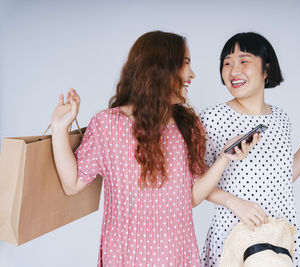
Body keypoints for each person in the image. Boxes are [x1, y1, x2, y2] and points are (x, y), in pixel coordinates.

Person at [50, 31, 260, 267]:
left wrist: (224, 158)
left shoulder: (188, 127)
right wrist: (59, 128)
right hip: (124, 259)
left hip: (176, 257)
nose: (191, 74)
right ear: (162, 68)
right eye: (185, 63)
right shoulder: (106, 125)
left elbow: (188, 198)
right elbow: (72, 184)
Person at [200, 32, 300, 267]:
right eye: (227, 63)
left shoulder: (281, 118)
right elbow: (195, 182)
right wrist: (234, 203)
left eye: (244, 61)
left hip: (278, 233)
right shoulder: (212, 119)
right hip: (234, 234)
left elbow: (283, 176)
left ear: (266, 70)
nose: (233, 71)